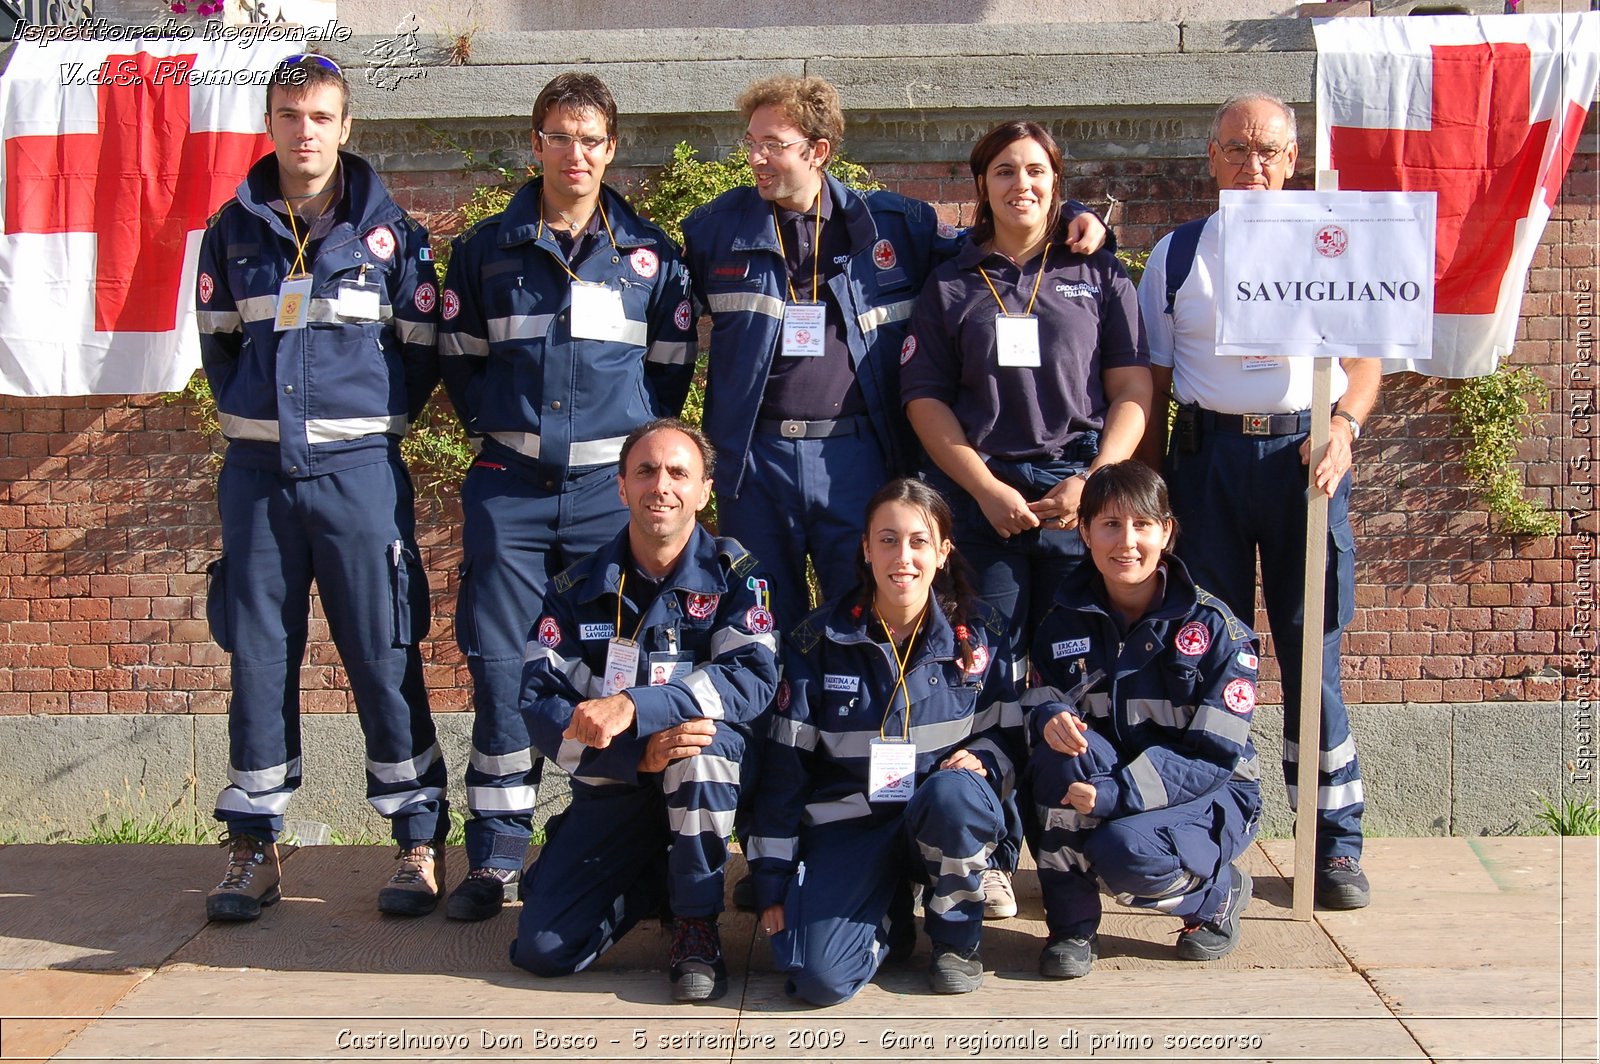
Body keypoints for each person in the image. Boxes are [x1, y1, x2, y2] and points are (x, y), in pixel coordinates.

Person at [681, 77, 1106, 632]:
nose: (756, 157)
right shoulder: (714, 230)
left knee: (864, 612)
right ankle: (771, 722)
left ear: (819, 151)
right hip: (756, 459)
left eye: (774, 144)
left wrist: (1073, 211)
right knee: (758, 617)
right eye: (751, 141)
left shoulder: (898, 227)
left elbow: (999, 237)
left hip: (857, 455)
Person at [438, 74, 697, 921]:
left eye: (591, 139)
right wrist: (507, 430)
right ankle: (497, 856)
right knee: (505, 666)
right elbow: (461, 362)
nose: (575, 154)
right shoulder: (484, 249)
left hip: (604, 498)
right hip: (509, 492)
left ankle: (611, 839)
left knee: (613, 665)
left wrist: (620, 463)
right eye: (559, 137)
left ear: (611, 148)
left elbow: (669, 376)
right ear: (536, 144)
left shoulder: (650, 255)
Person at [195, 54, 446, 920]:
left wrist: (368, 434)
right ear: (270, 125)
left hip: (358, 480)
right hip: (259, 482)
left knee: (384, 654)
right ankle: (253, 843)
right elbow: (219, 347)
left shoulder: (395, 238)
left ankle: (417, 839)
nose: (305, 131)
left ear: (347, 128)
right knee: (258, 661)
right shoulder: (230, 234)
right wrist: (258, 425)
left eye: (321, 116)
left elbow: (421, 353)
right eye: (290, 115)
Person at [1134, 92, 1376, 910]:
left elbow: (1366, 361)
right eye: (1236, 149)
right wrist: (1160, 498)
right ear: (1211, 159)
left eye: (1268, 149)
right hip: (1207, 464)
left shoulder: (1332, 245)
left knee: (1314, 653)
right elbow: (1156, 384)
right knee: (1210, 658)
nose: (1253, 164)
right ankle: (1215, 836)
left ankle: (1334, 844)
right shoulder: (1174, 255)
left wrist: (1343, 424)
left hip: (1304, 461)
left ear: (1294, 158)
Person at [511, 419, 779, 1003]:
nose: (661, 485)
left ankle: (695, 924)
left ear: (704, 490)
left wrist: (634, 708)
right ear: (621, 487)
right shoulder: (578, 587)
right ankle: (651, 875)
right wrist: (638, 756)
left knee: (698, 747)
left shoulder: (738, 578)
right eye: (646, 471)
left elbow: (751, 678)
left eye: (679, 473)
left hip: (716, 780)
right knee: (543, 951)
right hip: (621, 785)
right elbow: (538, 699)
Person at [749, 478, 1022, 1001]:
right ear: (866, 548)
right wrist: (772, 880)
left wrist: (985, 758)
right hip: (850, 826)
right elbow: (785, 772)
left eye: (920, 541)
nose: (904, 556)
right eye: (889, 539)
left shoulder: (984, 633)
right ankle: (890, 917)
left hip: (939, 820)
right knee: (815, 978)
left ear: (943, 552)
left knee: (955, 794)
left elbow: (1011, 739)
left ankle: (954, 942)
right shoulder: (816, 640)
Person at [903, 119, 1151, 659]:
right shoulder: (949, 284)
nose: (1022, 184)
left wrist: (1094, 480)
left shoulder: (1100, 274)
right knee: (988, 662)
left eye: (1036, 170)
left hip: (1078, 494)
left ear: (1056, 182)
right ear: (982, 186)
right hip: (984, 500)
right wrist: (986, 490)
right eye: (1005, 171)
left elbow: (1133, 387)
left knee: (1083, 659)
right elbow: (925, 400)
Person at [1028, 462, 1261, 977]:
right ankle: (1071, 927)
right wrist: (1048, 716)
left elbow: (1213, 757)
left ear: (1167, 532)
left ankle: (1212, 896)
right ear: (1084, 532)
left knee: (1124, 851)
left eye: (1142, 525)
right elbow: (1039, 696)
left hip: (1214, 792)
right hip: (1112, 776)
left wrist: (1116, 794)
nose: (1126, 542)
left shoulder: (1219, 631)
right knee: (1055, 757)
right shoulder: (1061, 621)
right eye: (1110, 525)